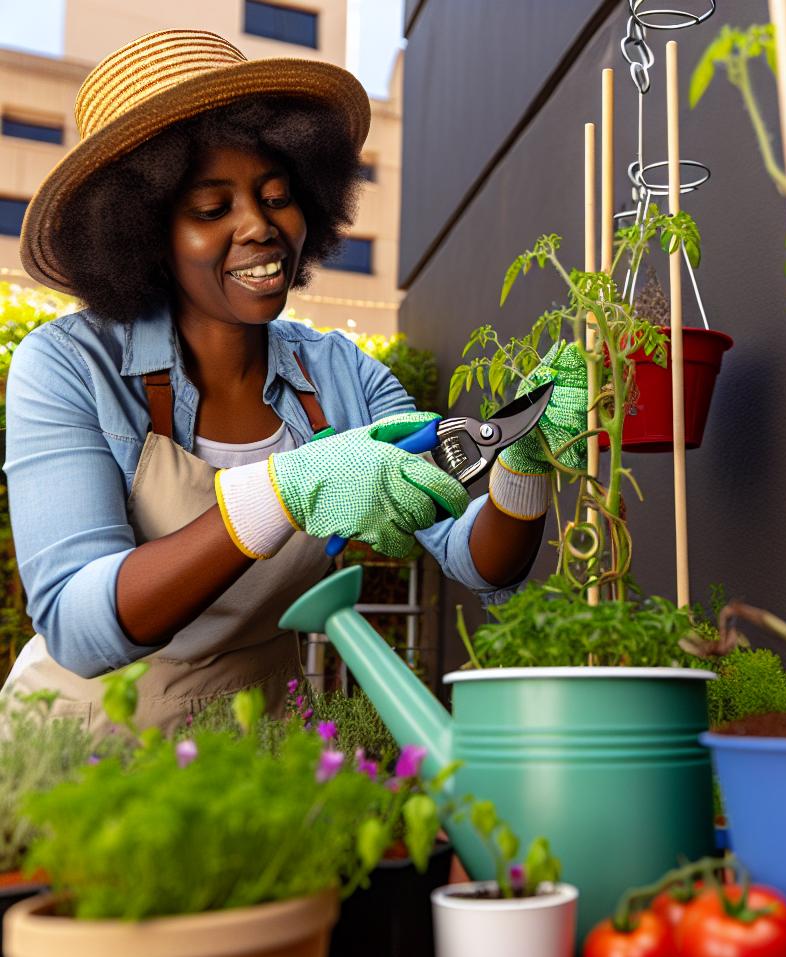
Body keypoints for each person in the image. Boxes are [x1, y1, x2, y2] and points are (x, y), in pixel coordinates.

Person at [4, 29, 588, 732]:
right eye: (213, 209)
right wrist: (279, 493)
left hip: (263, 754)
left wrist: (521, 464)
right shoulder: (68, 367)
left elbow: (476, 558)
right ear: (143, 235)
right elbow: (78, 621)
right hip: (86, 755)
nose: (261, 227)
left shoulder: (344, 378)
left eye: (277, 197)